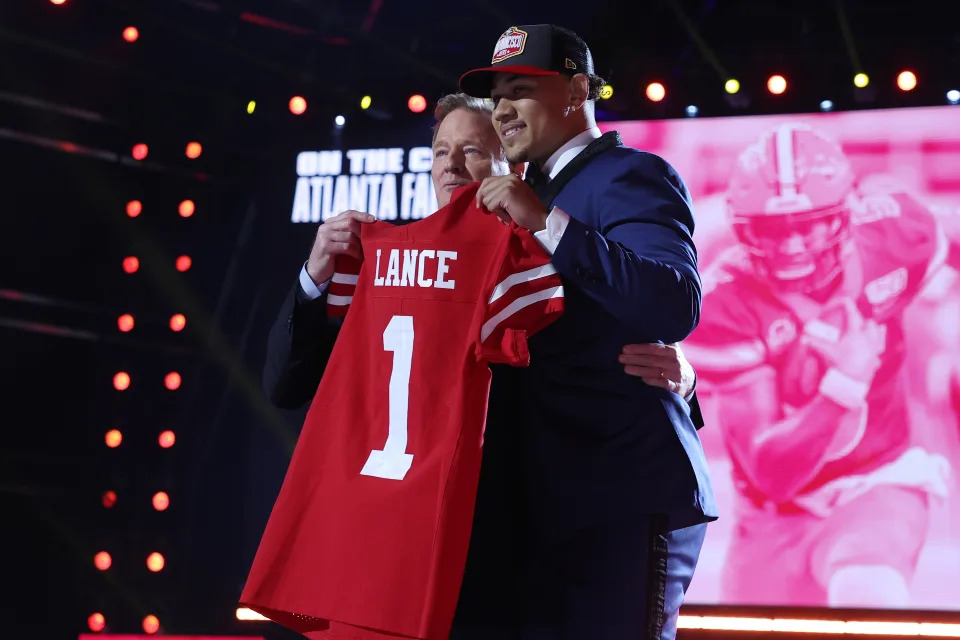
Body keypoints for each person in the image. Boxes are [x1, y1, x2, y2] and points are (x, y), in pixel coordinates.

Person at [262, 82, 705, 638]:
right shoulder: (391, 261)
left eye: (472, 151)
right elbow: (285, 384)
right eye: (441, 152)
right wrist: (314, 277)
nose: (452, 166)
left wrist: (684, 380)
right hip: (409, 531)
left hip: (522, 525)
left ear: (511, 169)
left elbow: (613, 328)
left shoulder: (537, 250)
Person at [455, 24, 715, 639]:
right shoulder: (521, 193)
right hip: (540, 502)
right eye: (497, 95)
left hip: (617, 500)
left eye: (521, 89)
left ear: (577, 90)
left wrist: (547, 221)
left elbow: (672, 301)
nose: (503, 109)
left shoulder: (629, 175)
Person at [683, 122, 958, 607]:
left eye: (807, 225)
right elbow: (772, 472)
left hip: (876, 479)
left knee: (869, 593)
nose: (791, 247)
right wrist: (843, 386)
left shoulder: (896, 236)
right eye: (772, 230)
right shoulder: (726, 302)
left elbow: (943, 243)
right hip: (774, 512)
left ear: (845, 216)